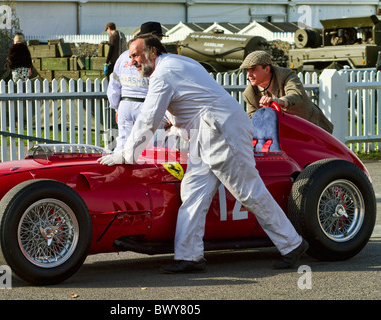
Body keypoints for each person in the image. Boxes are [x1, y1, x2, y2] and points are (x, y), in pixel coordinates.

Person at [98, 34, 309, 273]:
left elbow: (148, 118)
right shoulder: (180, 63)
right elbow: (192, 102)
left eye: (136, 55)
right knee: (193, 192)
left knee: (248, 191)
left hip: (220, 132)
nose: (132, 61)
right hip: (209, 132)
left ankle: (292, 244)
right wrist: (175, 125)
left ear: (152, 52)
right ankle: (189, 256)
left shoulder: (163, 73)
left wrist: (126, 155)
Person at [240, 51, 334, 134]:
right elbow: (253, 121)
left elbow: (296, 95)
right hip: (283, 138)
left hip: (313, 130)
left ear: (267, 69)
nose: (249, 75)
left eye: (253, 69)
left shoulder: (286, 75)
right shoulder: (249, 94)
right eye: (247, 70)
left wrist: (277, 101)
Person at [107, 21, 165, 151]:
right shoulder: (157, 58)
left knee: (123, 145)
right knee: (152, 148)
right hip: (148, 107)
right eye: (160, 39)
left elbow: (114, 86)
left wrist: (116, 108)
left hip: (125, 106)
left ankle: (120, 170)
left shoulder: (123, 57)